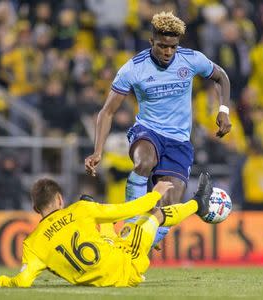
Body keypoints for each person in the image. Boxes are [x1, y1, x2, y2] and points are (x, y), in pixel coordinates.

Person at [84, 11, 231, 247]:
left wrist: (223, 109)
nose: (168, 52)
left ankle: (141, 243)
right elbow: (107, 112)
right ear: (152, 41)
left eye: (173, 47)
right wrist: (97, 151)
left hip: (179, 142)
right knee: (145, 162)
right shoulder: (133, 68)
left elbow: (221, 76)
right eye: (162, 46)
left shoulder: (191, 59)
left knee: (170, 207)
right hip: (147, 131)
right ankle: (131, 224)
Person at [0, 172, 213, 288]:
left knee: (115, 231)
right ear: (60, 199)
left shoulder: (32, 244)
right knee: (152, 215)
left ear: (35, 208)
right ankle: (198, 204)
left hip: (98, 275)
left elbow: (22, 281)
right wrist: (157, 192)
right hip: (125, 268)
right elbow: (128, 209)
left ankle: (134, 237)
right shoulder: (80, 209)